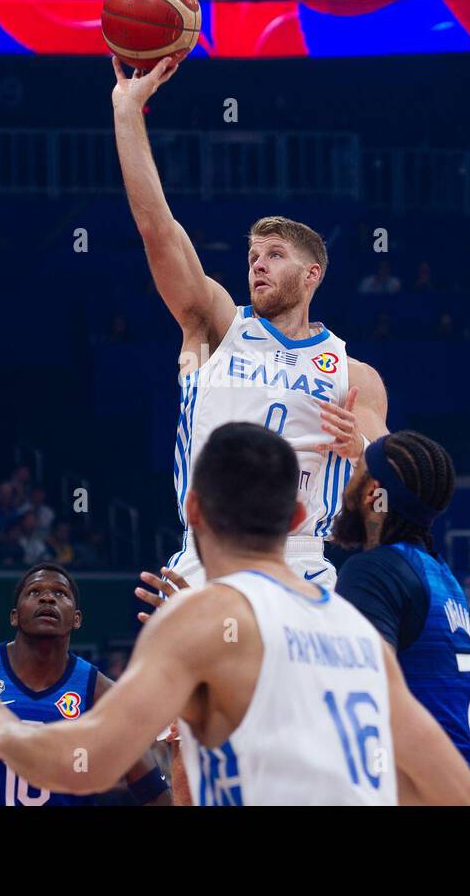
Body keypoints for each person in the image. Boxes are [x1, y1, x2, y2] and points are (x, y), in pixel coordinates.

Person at [0, 423, 470, 806]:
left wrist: (4, 735)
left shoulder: (202, 617)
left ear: (192, 508)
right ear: (298, 517)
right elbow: (454, 790)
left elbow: (90, 759)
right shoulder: (356, 632)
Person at [111, 56, 389, 590]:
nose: (257, 263)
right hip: (205, 551)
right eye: (253, 255)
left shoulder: (354, 376)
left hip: (301, 556)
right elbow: (158, 230)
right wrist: (128, 110)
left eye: (274, 254)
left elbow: (393, 479)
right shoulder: (215, 327)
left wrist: (364, 452)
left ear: (312, 274)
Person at [317, 429, 470, 804]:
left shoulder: (372, 573)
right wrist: (366, 452)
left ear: (373, 493)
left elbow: (365, 697)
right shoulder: (439, 576)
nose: (346, 481)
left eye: (357, 472)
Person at [0, 563, 172, 807]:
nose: (48, 597)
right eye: (34, 592)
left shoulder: (101, 693)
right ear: (15, 616)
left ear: (76, 619)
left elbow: (151, 788)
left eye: (60, 594)